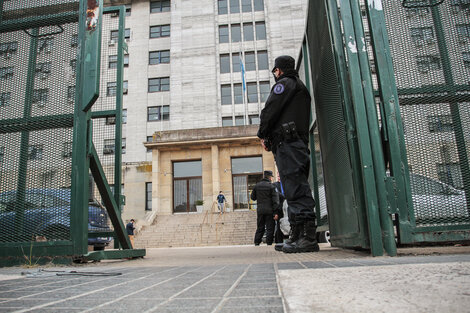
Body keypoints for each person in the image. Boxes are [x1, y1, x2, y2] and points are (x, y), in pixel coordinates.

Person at [257, 55, 319, 253]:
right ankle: (297, 234)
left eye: (275, 71)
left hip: (289, 145)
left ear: (279, 70)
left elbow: (269, 110)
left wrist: (262, 134)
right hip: (293, 145)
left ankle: (307, 237)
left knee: (296, 187)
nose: (275, 74)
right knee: (293, 188)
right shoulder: (299, 87)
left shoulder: (285, 84)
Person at [250, 170, 279, 246]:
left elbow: (252, 197)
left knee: (260, 227)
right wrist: (276, 212)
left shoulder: (257, 186)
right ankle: (269, 243)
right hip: (270, 211)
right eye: (271, 177)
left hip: (260, 211)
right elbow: (275, 201)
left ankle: (257, 242)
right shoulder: (272, 186)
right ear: (269, 177)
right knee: (270, 228)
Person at [272, 178, 286, 244]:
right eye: (277, 173)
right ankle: (279, 241)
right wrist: (275, 212)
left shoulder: (287, 183)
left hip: (288, 207)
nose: (278, 175)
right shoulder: (275, 185)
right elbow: (275, 198)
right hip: (279, 208)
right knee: (279, 225)